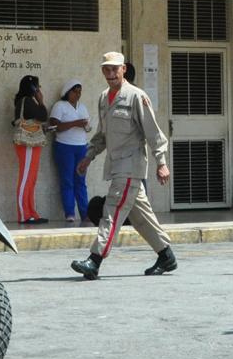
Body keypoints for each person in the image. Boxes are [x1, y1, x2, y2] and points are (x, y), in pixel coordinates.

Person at [70, 52, 175, 279]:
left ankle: (94, 260)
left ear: (123, 69)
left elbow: (153, 132)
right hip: (116, 165)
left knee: (112, 210)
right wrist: (89, 156)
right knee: (140, 216)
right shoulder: (103, 98)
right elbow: (101, 136)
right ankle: (166, 255)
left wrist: (161, 163)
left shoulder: (136, 96)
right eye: (106, 70)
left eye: (114, 69)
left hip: (130, 165)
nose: (110, 74)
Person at [49, 79, 90, 223]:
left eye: (80, 92)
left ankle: (85, 213)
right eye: (75, 91)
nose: (78, 95)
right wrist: (76, 123)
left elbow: (86, 124)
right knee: (67, 180)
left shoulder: (82, 107)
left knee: (80, 180)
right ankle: (70, 213)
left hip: (81, 146)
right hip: (64, 146)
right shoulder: (60, 106)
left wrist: (84, 126)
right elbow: (55, 126)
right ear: (68, 92)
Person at [11, 75, 50, 225]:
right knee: (26, 179)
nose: (39, 89)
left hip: (33, 145)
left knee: (31, 180)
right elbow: (43, 116)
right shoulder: (27, 101)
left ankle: (31, 213)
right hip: (27, 145)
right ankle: (23, 214)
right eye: (37, 87)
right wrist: (41, 101)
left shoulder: (27, 101)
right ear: (32, 88)